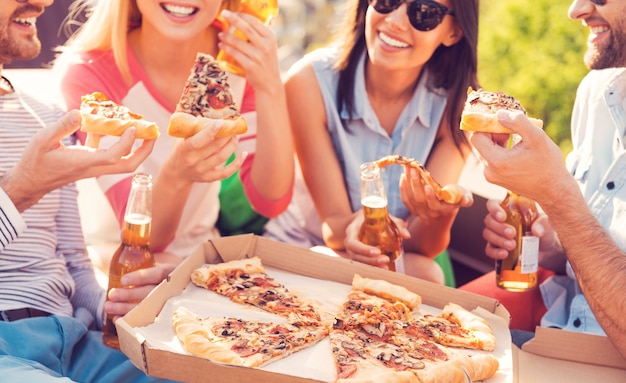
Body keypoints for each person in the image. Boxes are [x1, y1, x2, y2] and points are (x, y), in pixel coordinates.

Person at [0, 0, 327, 383]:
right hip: (8, 346)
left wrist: (118, 305)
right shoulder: (84, 81)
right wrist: (21, 188)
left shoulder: (43, 115)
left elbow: (72, 265)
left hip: (76, 339)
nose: (44, 1)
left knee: (310, 380)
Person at [53, 0, 294, 261]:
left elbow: (271, 200)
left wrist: (271, 87)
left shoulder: (238, 59)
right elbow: (143, 237)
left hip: (201, 260)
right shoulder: (89, 73)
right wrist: (179, 173)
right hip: (117, 260)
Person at [265, 0, 478, 284]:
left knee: (428, 274)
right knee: (326, 257)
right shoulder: (309, 81)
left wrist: (442, 212)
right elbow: (334, 230)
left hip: (388, 258)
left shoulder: (461, 109)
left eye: (424, 13)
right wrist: (362, 229)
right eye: (387, 1)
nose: (395, 21)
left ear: (453, 32)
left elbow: (421, 248)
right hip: (307, 248)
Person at [461, 0, 626, 357]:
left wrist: (559, 198)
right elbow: (596, 246)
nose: (576, 10)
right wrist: (546, 241)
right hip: (555, 325)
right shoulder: (596, 91)